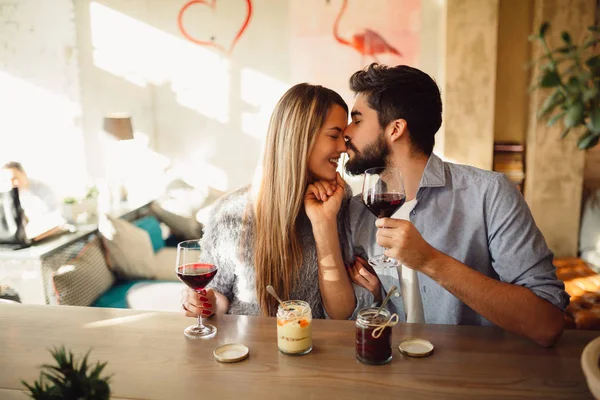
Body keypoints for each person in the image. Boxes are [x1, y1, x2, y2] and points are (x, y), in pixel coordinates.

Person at [308, 63, 569, 346]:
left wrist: (430, 261)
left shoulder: (489, 194)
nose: (346, 132)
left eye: (357, 119)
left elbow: (548, 322)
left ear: (395, 129)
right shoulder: (358, 210)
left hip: (470, 378)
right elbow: (343, 313)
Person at [181, 83, 361, 319]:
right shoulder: (229, 212)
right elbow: (219, 295)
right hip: (247, 350)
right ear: (300, 138)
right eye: (334, 135)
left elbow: (341, 312)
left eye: (344, 138)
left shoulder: (340, 201)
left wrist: (324, 222)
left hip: (313, 350)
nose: (344, 148)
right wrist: (204, 303)